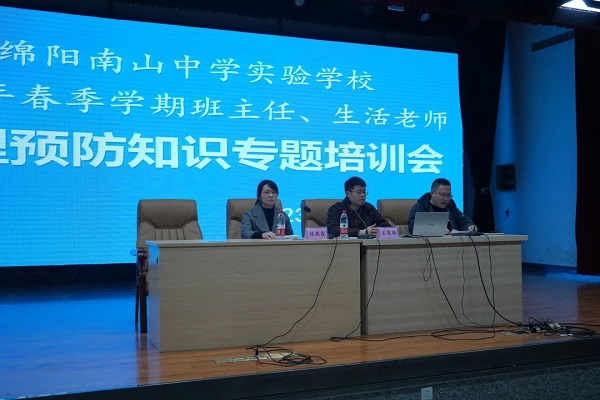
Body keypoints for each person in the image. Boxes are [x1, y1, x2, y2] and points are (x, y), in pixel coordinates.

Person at [326, 176, 391, 238]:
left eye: (364, 192)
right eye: (359, 192)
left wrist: (377, 230)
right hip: (344, 244)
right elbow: (332, 229)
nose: (363, 195)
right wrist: (359, 232)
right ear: (348, 194)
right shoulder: (336, 209)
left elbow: (386, 226)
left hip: (368, 245)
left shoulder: (369, 208)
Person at [407, 178, 477, 234]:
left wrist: (469, 226)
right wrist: (437, 230)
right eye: (443, 195)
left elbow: (464, 221)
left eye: (449, 195)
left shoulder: (451, 207)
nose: (446, 199)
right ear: (432, 193)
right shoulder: (420, 207)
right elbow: (413, 229)